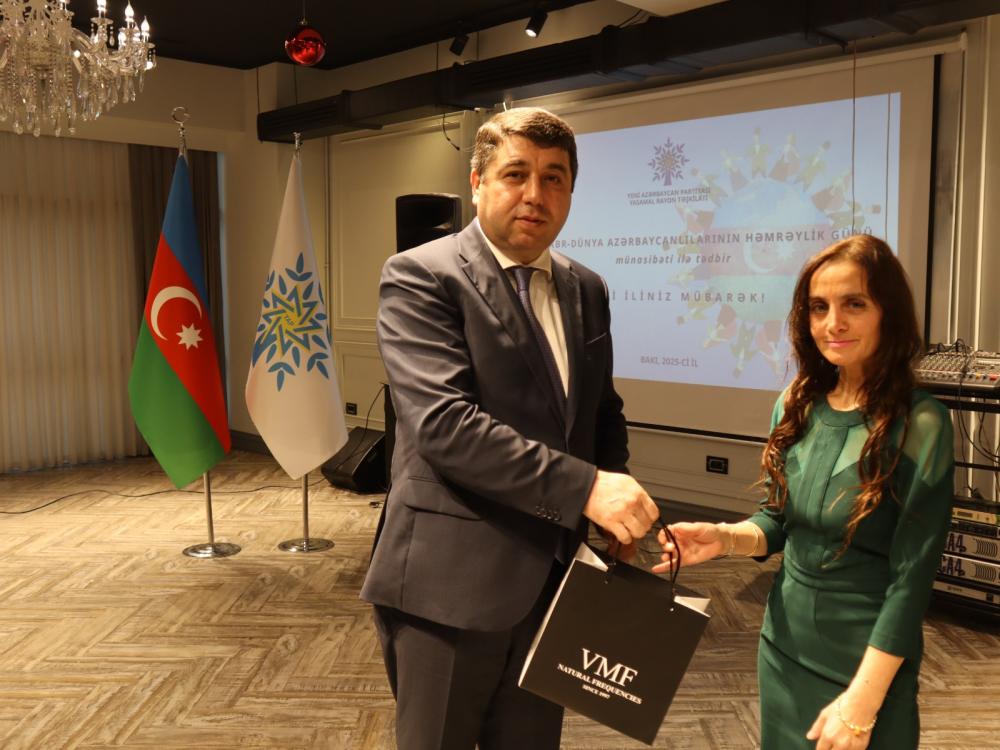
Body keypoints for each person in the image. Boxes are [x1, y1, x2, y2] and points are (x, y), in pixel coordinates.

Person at [361, 107, 659, 750]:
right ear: (477, 183)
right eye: (515, 174)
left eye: (554, 178)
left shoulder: (587, 287)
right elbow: (445, 426)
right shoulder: (421, 275)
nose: (535, 194)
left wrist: (616, 501)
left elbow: (599, 410)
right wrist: (587, 489)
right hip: (448, 586)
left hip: (556, 581)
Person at [655, 234, 953, 750]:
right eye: (819, 307)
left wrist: (861, 705)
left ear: (888, 312)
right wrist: (725, 537)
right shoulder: (796, 402)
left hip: (866, 665)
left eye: (854, 304)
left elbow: (911, 583)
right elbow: (777, 519)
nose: (833, 323)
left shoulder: (921, 424)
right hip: (783, 649)